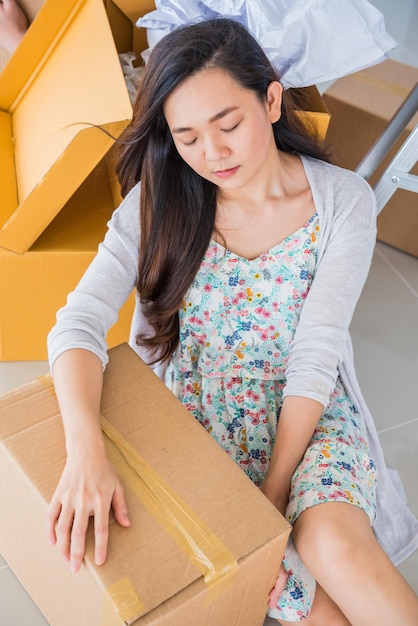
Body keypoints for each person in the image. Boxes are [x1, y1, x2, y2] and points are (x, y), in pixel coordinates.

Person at [46, 18, 418, 625]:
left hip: (309, 416)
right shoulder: (158, 202)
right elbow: (77, 323)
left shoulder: (341, 201)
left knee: (328, 544)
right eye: (186, 137)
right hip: (200, 428)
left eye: (229, 125)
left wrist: (269, 509)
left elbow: (315, 357)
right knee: (311, 607)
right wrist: (85, 450)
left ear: (271, 100)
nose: (212, 155)